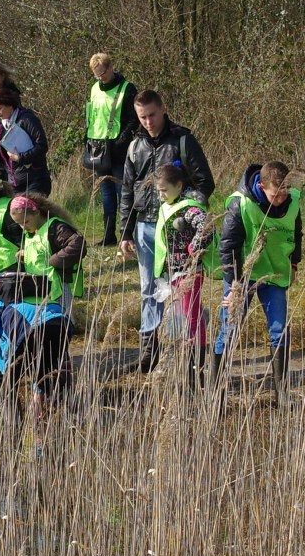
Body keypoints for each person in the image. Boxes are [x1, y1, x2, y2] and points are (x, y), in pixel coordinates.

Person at [119, 90, 214, 373]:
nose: (148, 121)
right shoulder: (134, 146)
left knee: (184, 290)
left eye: (152, 115)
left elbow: (204, 182)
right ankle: (149, 353)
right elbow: (127, 189)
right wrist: (125, 232)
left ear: (163, 109)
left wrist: (186, 211)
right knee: (149, 288)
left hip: (177, 229)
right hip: (146, 227)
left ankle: (190, 354)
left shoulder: (183, 140)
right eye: (142, 117)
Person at [0, 194, 85, 397]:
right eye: (19, 225)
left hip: (58, 290)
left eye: (25, 222)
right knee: (44, 341)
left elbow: (78, 245)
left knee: (59, 337)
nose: (23, 227)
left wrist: (54, 260)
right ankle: (45, 387)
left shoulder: (56, 227)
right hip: (41, 294)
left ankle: (62, 387)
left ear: (36, 212)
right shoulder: (34, 231)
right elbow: (38, 249)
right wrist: (24, 253)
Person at [212, 162, 302, 388]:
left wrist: (294, 265)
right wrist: (233, 286)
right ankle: (216, 391)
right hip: (243, 277)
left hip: (275, 274)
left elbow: (296, 233)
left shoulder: (293, 201)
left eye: (284, 194)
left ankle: (281, 393)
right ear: (261, 186)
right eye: (275, 195)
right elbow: (228, 247)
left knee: (279, 329)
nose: (281, 199)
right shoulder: (239, 203)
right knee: (230, 328)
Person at [150, 167, 212, 386]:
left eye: (164, 190)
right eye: (158, 191)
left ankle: (197, 373)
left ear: (179, 186)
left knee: (191, 320)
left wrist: (193, 249)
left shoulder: (188, 209)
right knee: (182, 320)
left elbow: (207, 227)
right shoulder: (168, 205)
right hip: (174, 272)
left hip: (189, 272)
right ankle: (188, 369)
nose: (161, 195)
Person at [80, 53, 139, 249]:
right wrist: (86, 139)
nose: (100, 78)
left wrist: (121, 142)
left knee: (123, 192)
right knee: (105, 194)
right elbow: (92, 117)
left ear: (111, 67)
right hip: (97, 149)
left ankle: (126, 235)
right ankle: (108, 235)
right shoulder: (94, 88)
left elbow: (133, 119)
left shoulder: (127, 89)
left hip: (118, 150)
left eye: (103, 73)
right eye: (96, 75)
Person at [0, 83, 52, 198]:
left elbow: (42, 146)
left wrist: (20, 157)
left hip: (36, 178)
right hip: (15, 182)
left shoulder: (27, 119)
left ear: (10, 105)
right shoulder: (1, 126)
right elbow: (4, 158)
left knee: (29, 210)